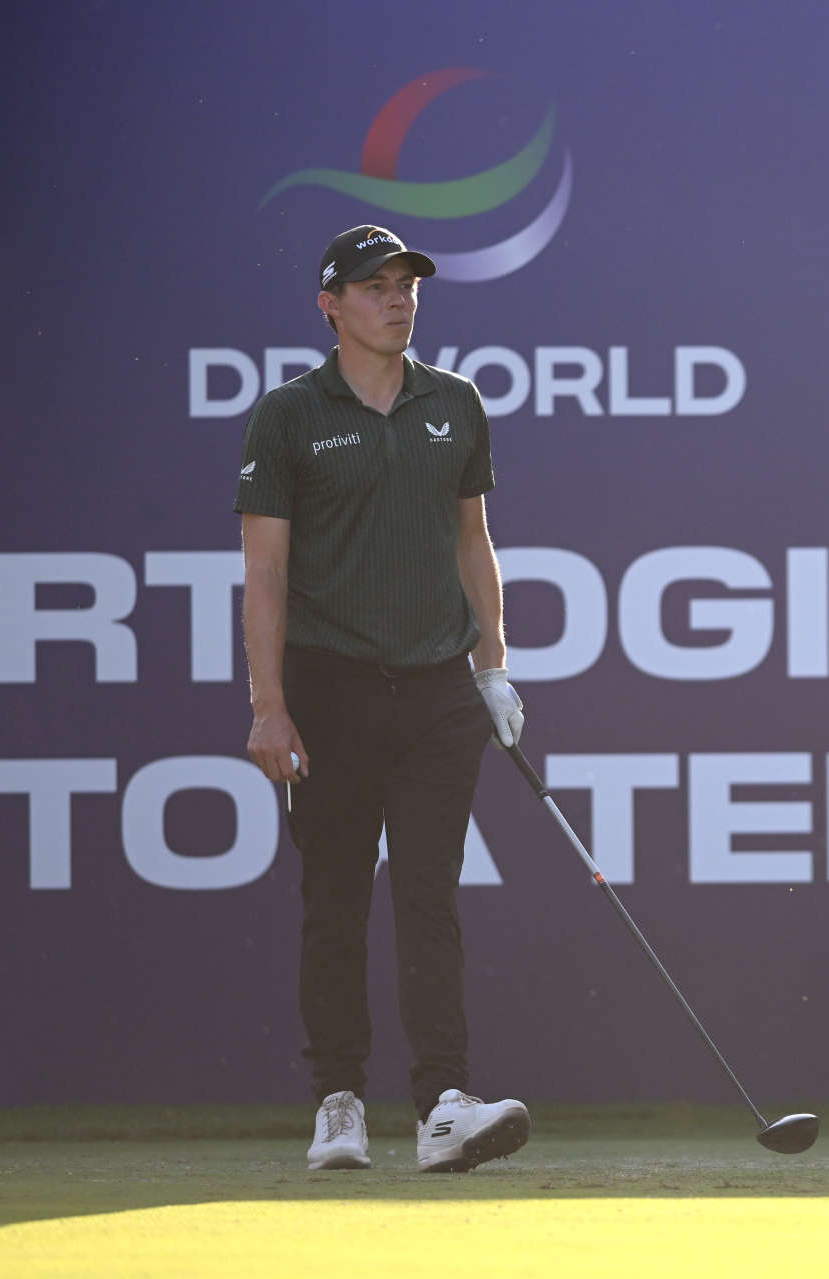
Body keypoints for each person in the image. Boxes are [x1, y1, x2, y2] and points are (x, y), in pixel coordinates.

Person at [236, 225, 532, 1173]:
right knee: (334, 902)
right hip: (329, 691)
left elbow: (471, 540)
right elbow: (267, 571)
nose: (396, 299)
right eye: (374, 287)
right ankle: (339, 1102)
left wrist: (493, 663)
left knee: (428, 895)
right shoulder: (288, 415)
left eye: (406, 284)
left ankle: (444, 1103)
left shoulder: (456, 403)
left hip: (441, 692)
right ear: (330, 305)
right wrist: (268, 704)